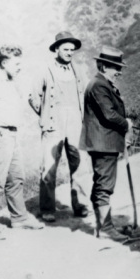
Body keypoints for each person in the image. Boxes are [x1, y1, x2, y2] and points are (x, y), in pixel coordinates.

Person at [0, 45, 44, 239]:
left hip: (11, 135)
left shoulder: (11, 82)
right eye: (17, 63)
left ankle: (19, 218)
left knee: (16, 179)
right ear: (4, 63)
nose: (20, 67)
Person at [28, 31, 90, 223]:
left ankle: (80, 205)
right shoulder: (45, 70)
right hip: (53, 123)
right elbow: (33, 97)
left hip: (76, 123)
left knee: (79, 165)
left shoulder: (79, 70)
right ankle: (47, 208)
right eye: (66, 49)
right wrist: (45, 115)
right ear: (57, 49)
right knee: (49, 166)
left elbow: (87, 94)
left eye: (72, 50)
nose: (70, 52)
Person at [81, 46, 131, 242]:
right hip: (103, 144)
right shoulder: (99, 85)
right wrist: (127, 123)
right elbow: (109, 115)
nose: (119, 71)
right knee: (104, 186)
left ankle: (104, 225)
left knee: (101, 184)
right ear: (103, 66)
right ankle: (106, 229)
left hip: (105, 142)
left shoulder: (103, 84)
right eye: (114, 67)